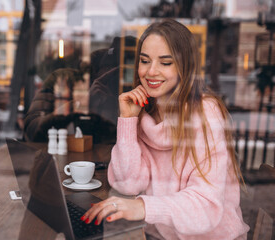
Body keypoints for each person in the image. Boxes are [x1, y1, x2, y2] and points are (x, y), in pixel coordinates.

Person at [80, 19, 250, 240]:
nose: (151, 71)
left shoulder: (205, 113)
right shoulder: (145, 112)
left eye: (165, 62)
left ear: (184, 67)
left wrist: (143, 206)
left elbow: (206, 205)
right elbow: (127, 183)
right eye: (144, 60)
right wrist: (127, 121)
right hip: (160, 236)